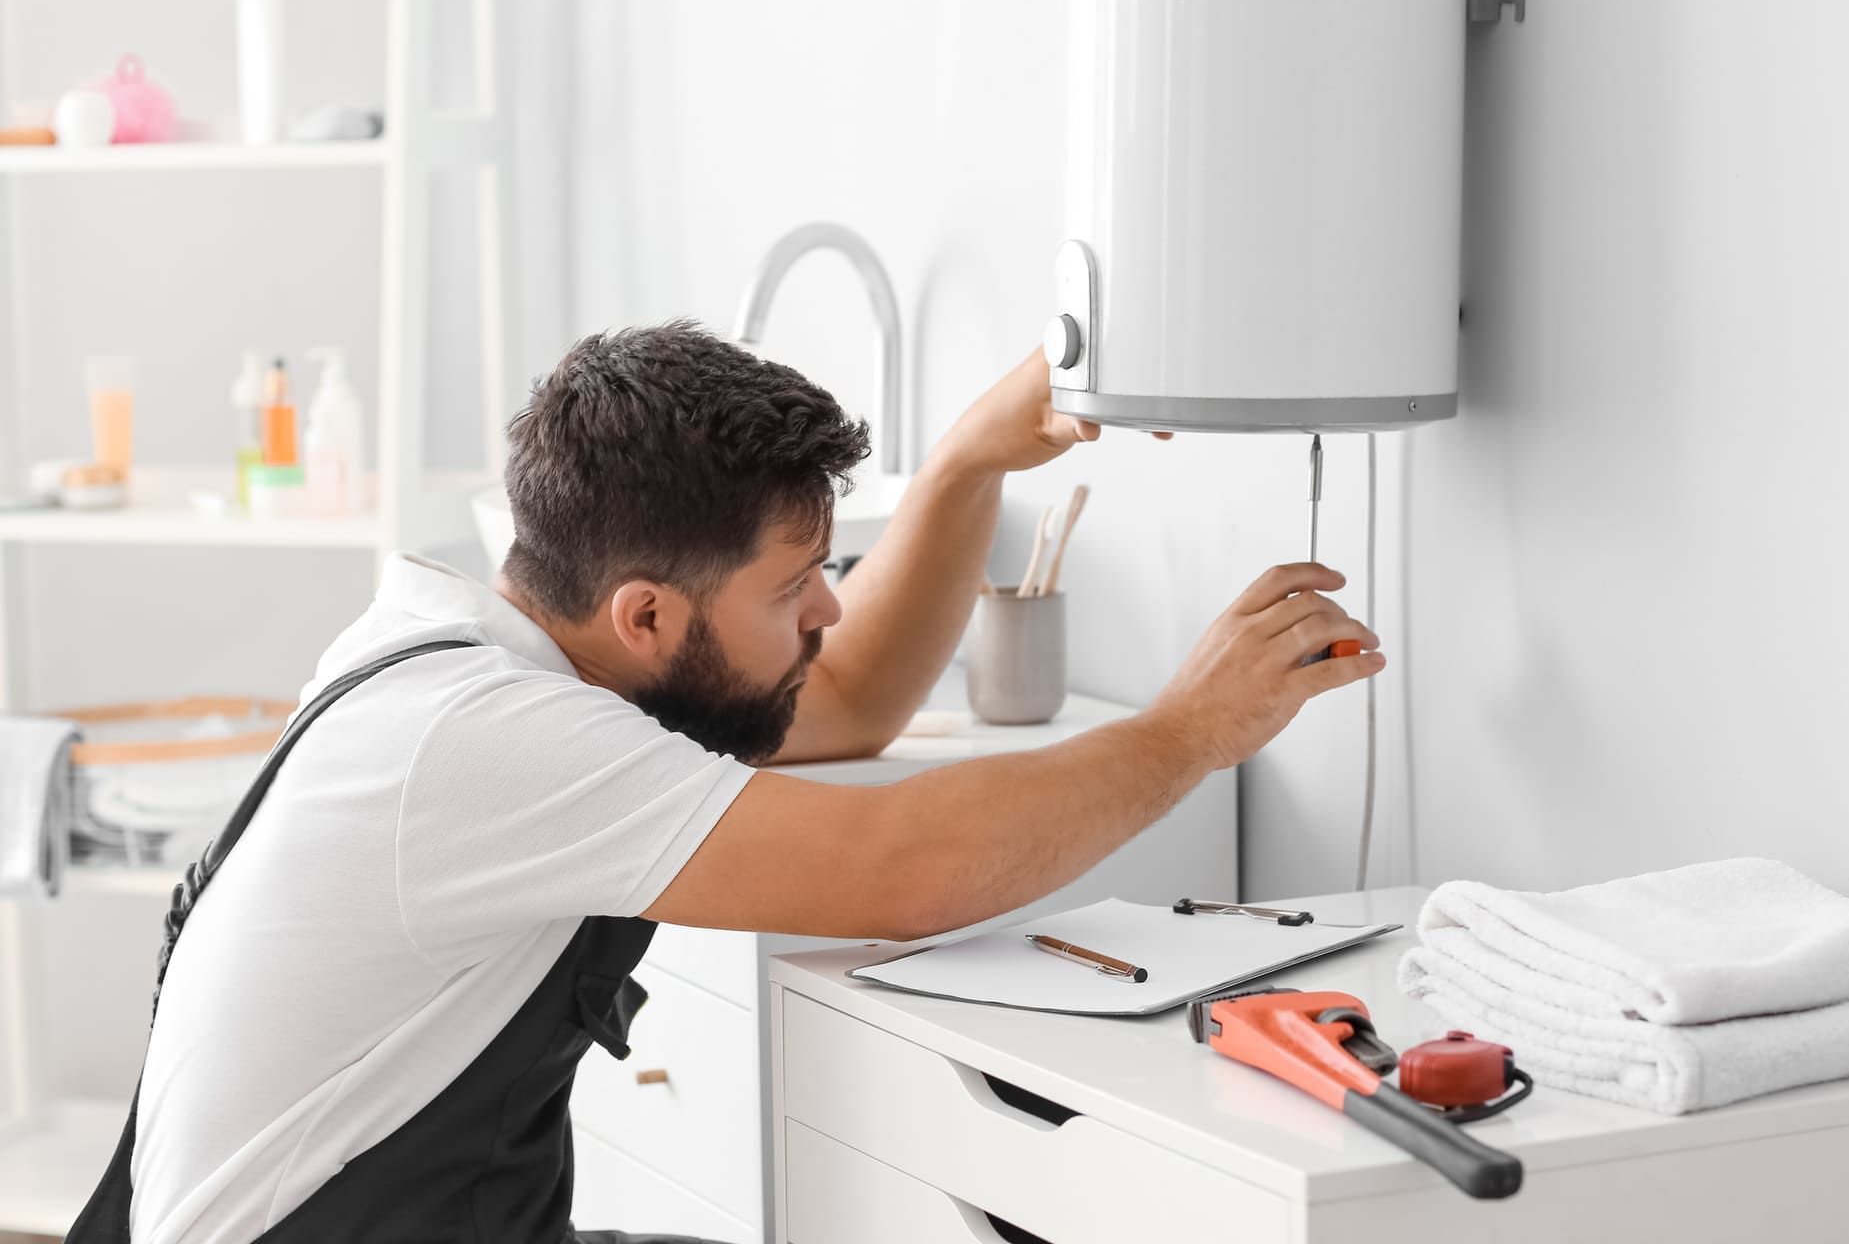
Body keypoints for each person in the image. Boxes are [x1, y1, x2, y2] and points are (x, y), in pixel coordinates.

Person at [71, 321, 1382, 1243]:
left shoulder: (478, 649)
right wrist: (1190, 729)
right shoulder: (487, 741)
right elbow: (903, 871)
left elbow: (845, 700)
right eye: (793, 584)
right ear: (645, 615)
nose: (828, 607)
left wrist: (969, 461)